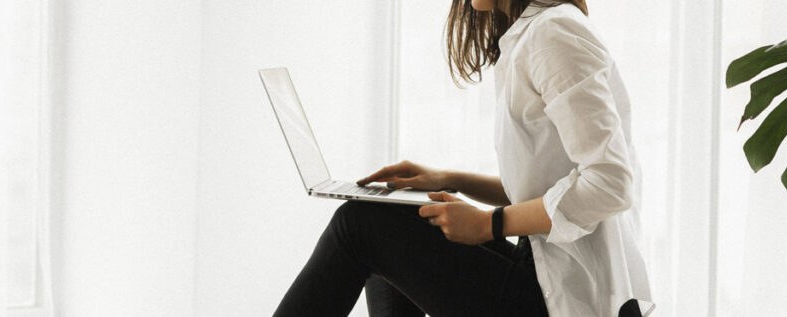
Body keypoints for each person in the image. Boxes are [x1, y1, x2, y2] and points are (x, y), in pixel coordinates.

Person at [273, 0, 652, 316]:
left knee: (358, 225)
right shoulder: (534, 33)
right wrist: (447, 179)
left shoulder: (553, 35)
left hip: (568, 299)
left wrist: (490, 223)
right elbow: (551, 186)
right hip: (548, 276)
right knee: (385, 215)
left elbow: (609, 183)